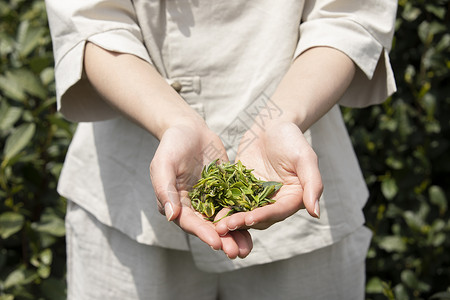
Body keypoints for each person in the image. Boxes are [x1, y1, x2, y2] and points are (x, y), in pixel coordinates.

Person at [45, 0, 397, 299]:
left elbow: (349, 17)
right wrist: (174, 122)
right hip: (127, 200)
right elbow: (90, 20)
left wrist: (279, 120)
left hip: (303, 206)